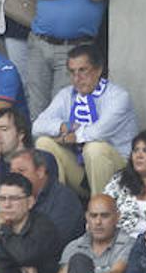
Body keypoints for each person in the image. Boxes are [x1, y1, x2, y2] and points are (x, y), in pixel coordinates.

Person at [32, 45, 136, 197]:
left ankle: (100, 212)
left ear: (98, 70)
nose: (77, 78)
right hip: (82, 171)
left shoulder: (118, 96)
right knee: (43, 143)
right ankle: (57, 206)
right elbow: (37, 126)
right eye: (72, 72)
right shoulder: (66, 94)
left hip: (119, 174)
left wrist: (74, 136)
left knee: (94, 148)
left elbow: (99, 131)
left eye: (83, 70)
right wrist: (63, 126)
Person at [51, 193, 134, 273]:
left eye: (105, 216)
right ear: (87, 217)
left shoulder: (128, 243)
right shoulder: (74, 246)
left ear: (117, 217)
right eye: (93, 216)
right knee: (78, 260)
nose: (98, 222)